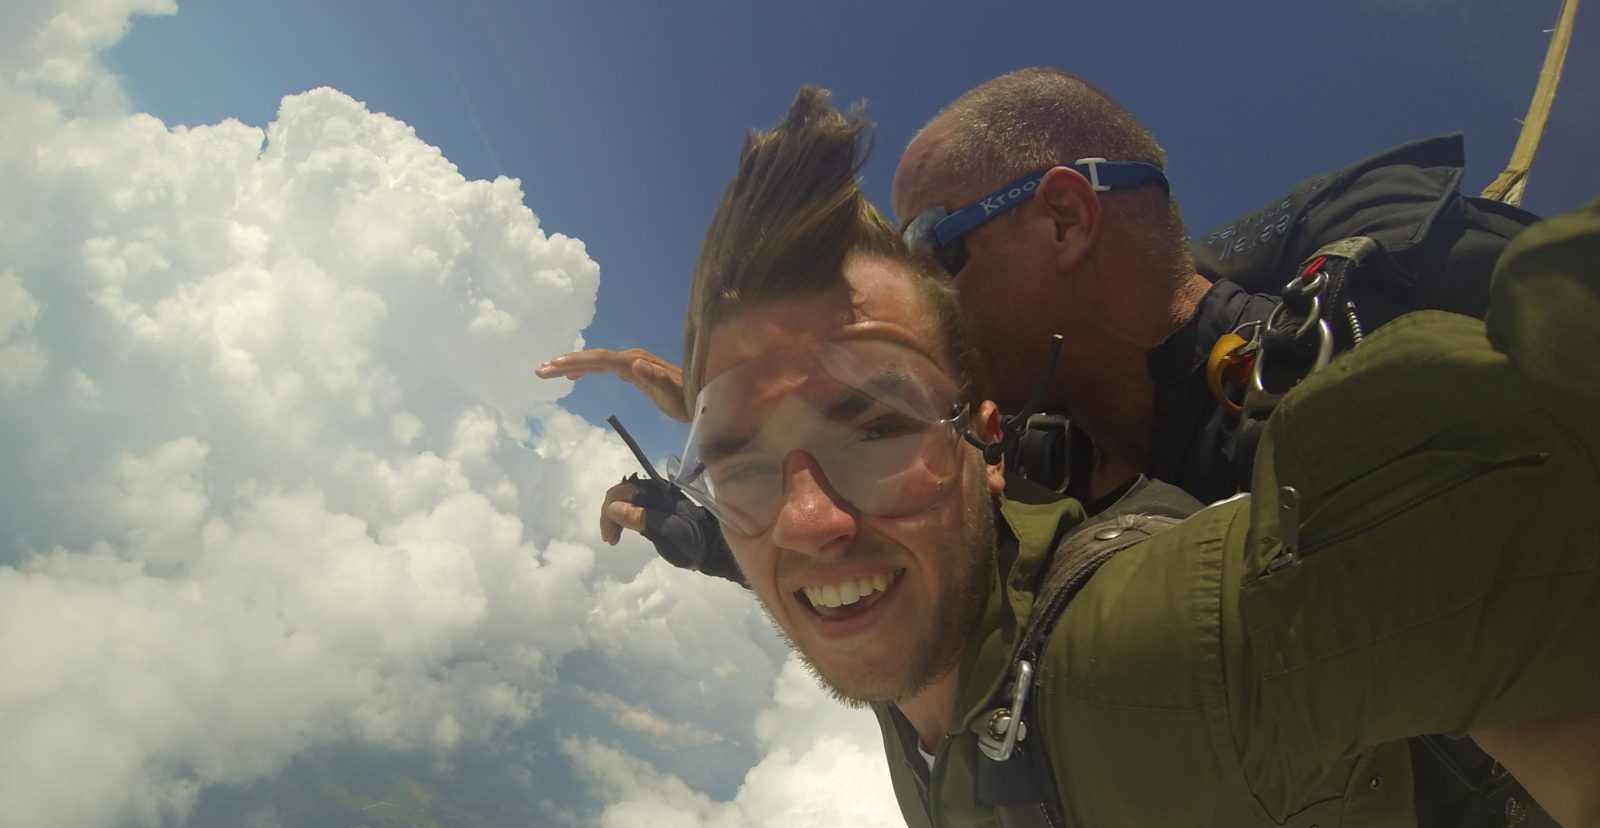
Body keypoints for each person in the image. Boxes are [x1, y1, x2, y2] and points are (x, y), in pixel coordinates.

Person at [617, 84, 1600, 828]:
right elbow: (859, 556)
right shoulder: (960, 550)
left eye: (932, 249)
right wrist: (721, 475)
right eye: (751, 458)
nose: (814, 517)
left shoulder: (1214, 563)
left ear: (1060, 218)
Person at [538, 67, 1535, 541]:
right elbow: (850, 534)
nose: (914, 301)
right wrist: (674, 513)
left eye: (935, 251)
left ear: (1063, 219)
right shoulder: (1025, 452)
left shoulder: (1353, 352)